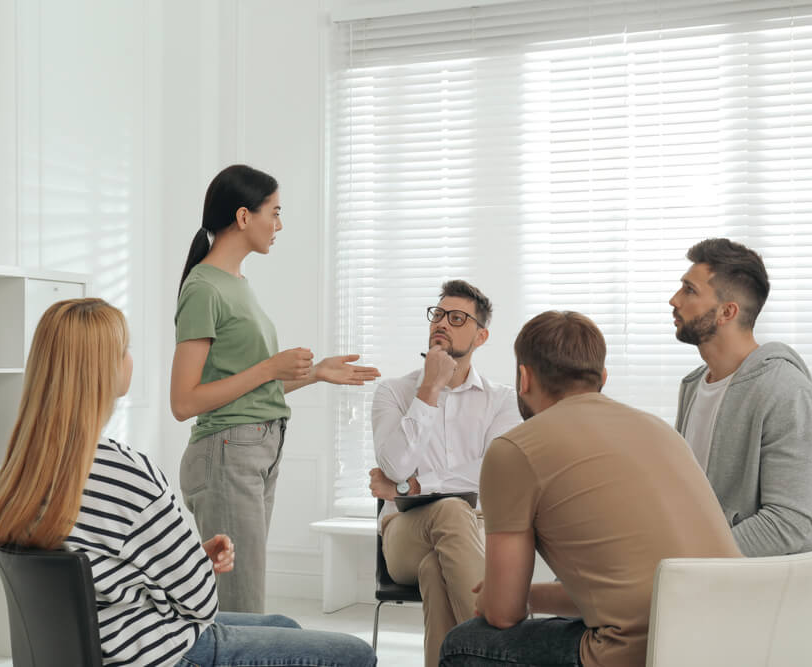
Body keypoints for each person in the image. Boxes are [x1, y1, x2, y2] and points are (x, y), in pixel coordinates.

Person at [0, 298, 376, 667]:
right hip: (162, 655)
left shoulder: (25, 468)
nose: (132, 358)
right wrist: (196, 566)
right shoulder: (124, 473)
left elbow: (101, 567)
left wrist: (184, 558)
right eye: (125, 348)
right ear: (104, 369)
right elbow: (201, 605)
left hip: (106, 645)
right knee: (354, 654)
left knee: (284, 625)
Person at [440, 311, 741, 667]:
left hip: (639, 655)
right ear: (602, 378)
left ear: (524, 378)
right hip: (730, 641)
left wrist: (496, 598)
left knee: (463, 644)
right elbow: (626, 590)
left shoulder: (514, 450)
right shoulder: (658, 430)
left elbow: (503, 614)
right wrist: (531, 596)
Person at [171, 164, 380, 612]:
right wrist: (270, 367)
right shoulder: (204, 288)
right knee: (240, 604)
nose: (279, 225)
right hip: (228, 453)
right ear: (244, 217)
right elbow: (184, 401)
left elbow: (245, 388)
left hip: (257, 449)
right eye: (275, 212)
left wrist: (315, 372)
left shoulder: (237, 285)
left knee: (243, 599)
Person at [369, 279, 522, 667]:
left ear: (481, 335)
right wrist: (430, 388)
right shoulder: (393, 392)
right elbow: (395, 466)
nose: (442, 323)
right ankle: (504, 655)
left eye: (457, 318)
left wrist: (416, 484)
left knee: (436, 570)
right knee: (452, 511)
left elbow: (495, 474)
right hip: (405, 530)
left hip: (477, 529)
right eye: (438, 315)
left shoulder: (502, 399)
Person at [670, 237, 812, 556]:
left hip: (768, 577)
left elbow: (785, 523)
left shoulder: (788, 394)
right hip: (704, 568)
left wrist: (688, 560)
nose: (674, 300)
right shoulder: (693, 386)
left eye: (689, 290)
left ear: (726, 312)